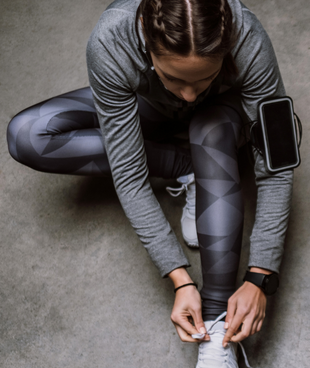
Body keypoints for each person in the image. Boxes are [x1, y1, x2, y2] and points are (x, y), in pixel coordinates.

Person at [6, 0, 293, 366]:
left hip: (222, 120)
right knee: (28, 135)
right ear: (144, 33)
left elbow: (277, 166)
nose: (189, 93)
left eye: (204, 77)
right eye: (174, 77)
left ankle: (217, 322)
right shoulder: (113, 37)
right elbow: (129, 175)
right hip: (150, 108)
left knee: (206, 125)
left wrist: (259, 278)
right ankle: (189, 166)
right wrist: (180, 279)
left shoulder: (247, 36)